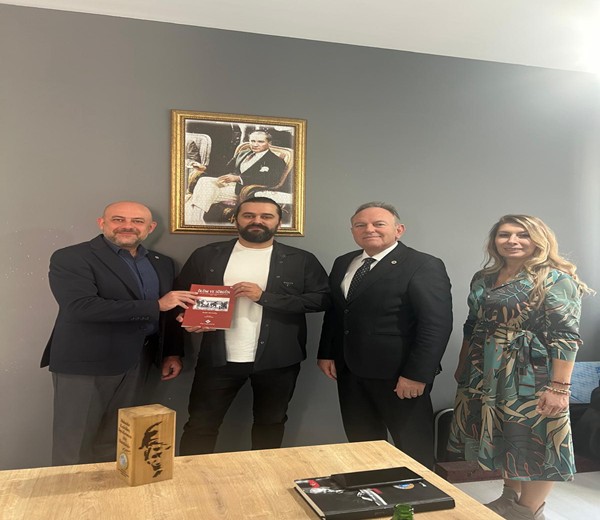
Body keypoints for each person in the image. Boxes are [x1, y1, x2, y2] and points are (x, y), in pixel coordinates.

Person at [446, 215, 594, 520]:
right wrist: (463, 364)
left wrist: (559, 388)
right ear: (494, 241)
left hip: (530, 372)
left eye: (522, 234)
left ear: (539, 240)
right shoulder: (484, 277)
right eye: (504, 234)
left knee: (537, 441)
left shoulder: (555, 279)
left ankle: (529, 511)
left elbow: (566, 336)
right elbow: (472, 324)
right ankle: (509, 498)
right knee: (506, 434)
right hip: (485, 370)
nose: (512, 240)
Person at [42, 201, 197, 465]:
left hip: (138, 362)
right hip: (86, 363)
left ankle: (109, 491)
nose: (127, 226)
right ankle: (71, 492)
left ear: (150, 227)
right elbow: (81, 307)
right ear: (102, 223)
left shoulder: (162, 263)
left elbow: (168, 312)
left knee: (120, 440)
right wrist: (156, 305)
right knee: (75, 444)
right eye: (118, 219)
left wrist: (171, 352)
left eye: (137, 221)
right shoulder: (71, 257)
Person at [172, 196, 330, 454]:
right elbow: (181, 296)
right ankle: (191, 478)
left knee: (271, 424)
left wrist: (264, 297)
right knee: (201, 425)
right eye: (249, 215)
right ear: (235, 219)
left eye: (266, 216)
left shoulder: (301, 259)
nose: (257, 221)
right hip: (217, 359)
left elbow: (322, 299)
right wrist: (185, 317)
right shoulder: (207, 255)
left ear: (279, 222)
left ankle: (265, 477)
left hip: (278, 360)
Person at [317, 202, 453, 468]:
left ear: (399, 230)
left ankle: (419, 492)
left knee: (413, 446)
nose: (369, 229)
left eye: (378, 224)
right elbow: (336, 312)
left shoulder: (423, 264)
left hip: (400, 375)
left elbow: (436, 325)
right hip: (350, 371)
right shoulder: (344, 262)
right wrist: (326, 352)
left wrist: (417, 374)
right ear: (353, 231)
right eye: (360, 225)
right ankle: (371, 487)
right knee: (362, 444)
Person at [185, 131, 287, 224]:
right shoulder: (243, 153)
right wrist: (204, 168)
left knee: (202, 191)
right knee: (204, 181)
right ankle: (197, 221)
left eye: (260, 142)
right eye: (252, 141)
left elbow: (271, 180)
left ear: (269, 143)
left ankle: (195, 222)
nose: (255, 144)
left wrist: (238, 178)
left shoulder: (275, 161)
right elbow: (225, 169)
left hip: (245, 190)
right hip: (228, 185)